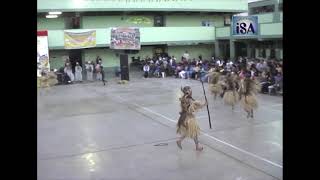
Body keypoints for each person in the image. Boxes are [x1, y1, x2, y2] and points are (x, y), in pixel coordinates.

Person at [176, 86, 207, 151]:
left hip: (184, 117)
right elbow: (193, 108)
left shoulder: (183, 98)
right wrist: (204, 104)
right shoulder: (188, 99)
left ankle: (180, 140)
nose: (191, 91)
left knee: (189, 132)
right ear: (187, 91)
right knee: (194, 132)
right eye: (190, 90)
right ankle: (197, 147)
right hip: (189, 118)